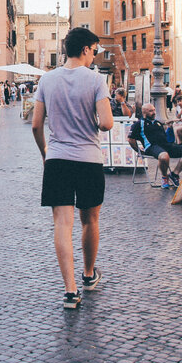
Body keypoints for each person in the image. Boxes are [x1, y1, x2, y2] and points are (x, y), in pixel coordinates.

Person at [32, 27, 112, 310]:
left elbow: (36, 124)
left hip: (57, 158)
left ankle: (70, 290)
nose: (94, 56)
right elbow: (106, 123)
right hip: (88, 158)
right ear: (86, 49)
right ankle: (88, 275)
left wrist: (45, 152)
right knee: (90, 220)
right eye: (95, 50)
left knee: (61, 225)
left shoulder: (47, 80)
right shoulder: (95, 80)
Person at [129, 103, 182, 190]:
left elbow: (166, 137)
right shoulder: (139, 124)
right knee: (164, 156)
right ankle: (164, 177)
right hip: (152, 147)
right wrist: (138, 150)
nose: (154, 112)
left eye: (154, 110)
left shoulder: (157, 123)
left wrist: (169, 126)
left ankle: (174, 174)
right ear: (144, 113)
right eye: (151, 111)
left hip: (165, 145)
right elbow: (130, 139)